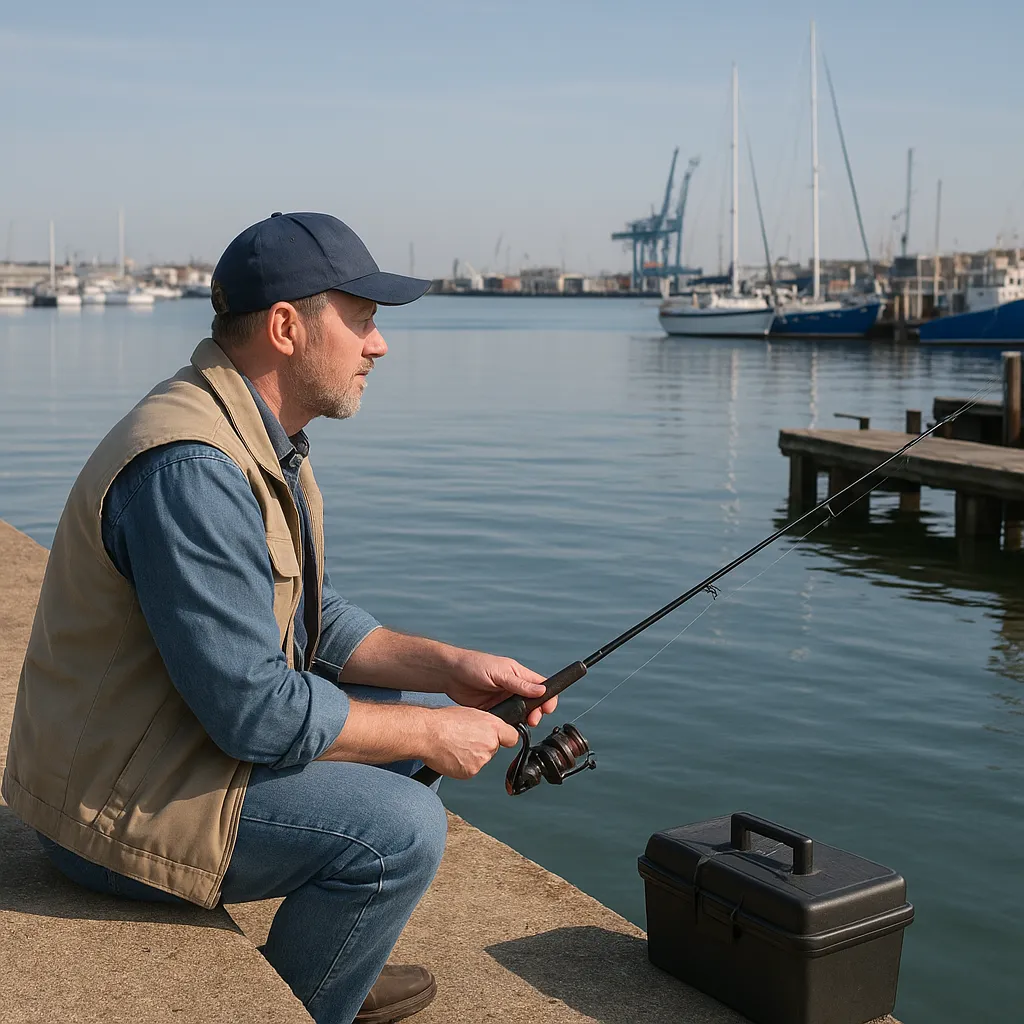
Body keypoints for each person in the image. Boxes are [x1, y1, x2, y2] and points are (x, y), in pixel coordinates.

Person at [2, 212, 557, 1024]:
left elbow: (307, 617)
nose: (379, 345)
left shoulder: (248, 432)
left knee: (410, 721)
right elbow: (255, 714)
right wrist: (435, 733)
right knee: (401, 828)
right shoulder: (192, 469)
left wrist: (450, 670)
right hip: (105, 809)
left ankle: (331, 964)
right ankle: (308, 1000)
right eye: (362, 319)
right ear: (288, 328)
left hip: (153, 752)